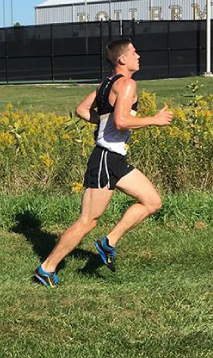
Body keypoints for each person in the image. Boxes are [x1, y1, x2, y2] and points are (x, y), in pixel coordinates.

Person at [33, 38, 173, 287]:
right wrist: (155, 119)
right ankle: (47, 268)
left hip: (115, 158)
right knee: (87, 221)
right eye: (134, 52)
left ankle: (108, 242)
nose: (138, 56)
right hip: (105, 159)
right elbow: (121, 122)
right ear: (122, 59)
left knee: (152, 201)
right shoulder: (127, 84)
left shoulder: (106, 84)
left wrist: (103, 123)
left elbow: (81, 109)